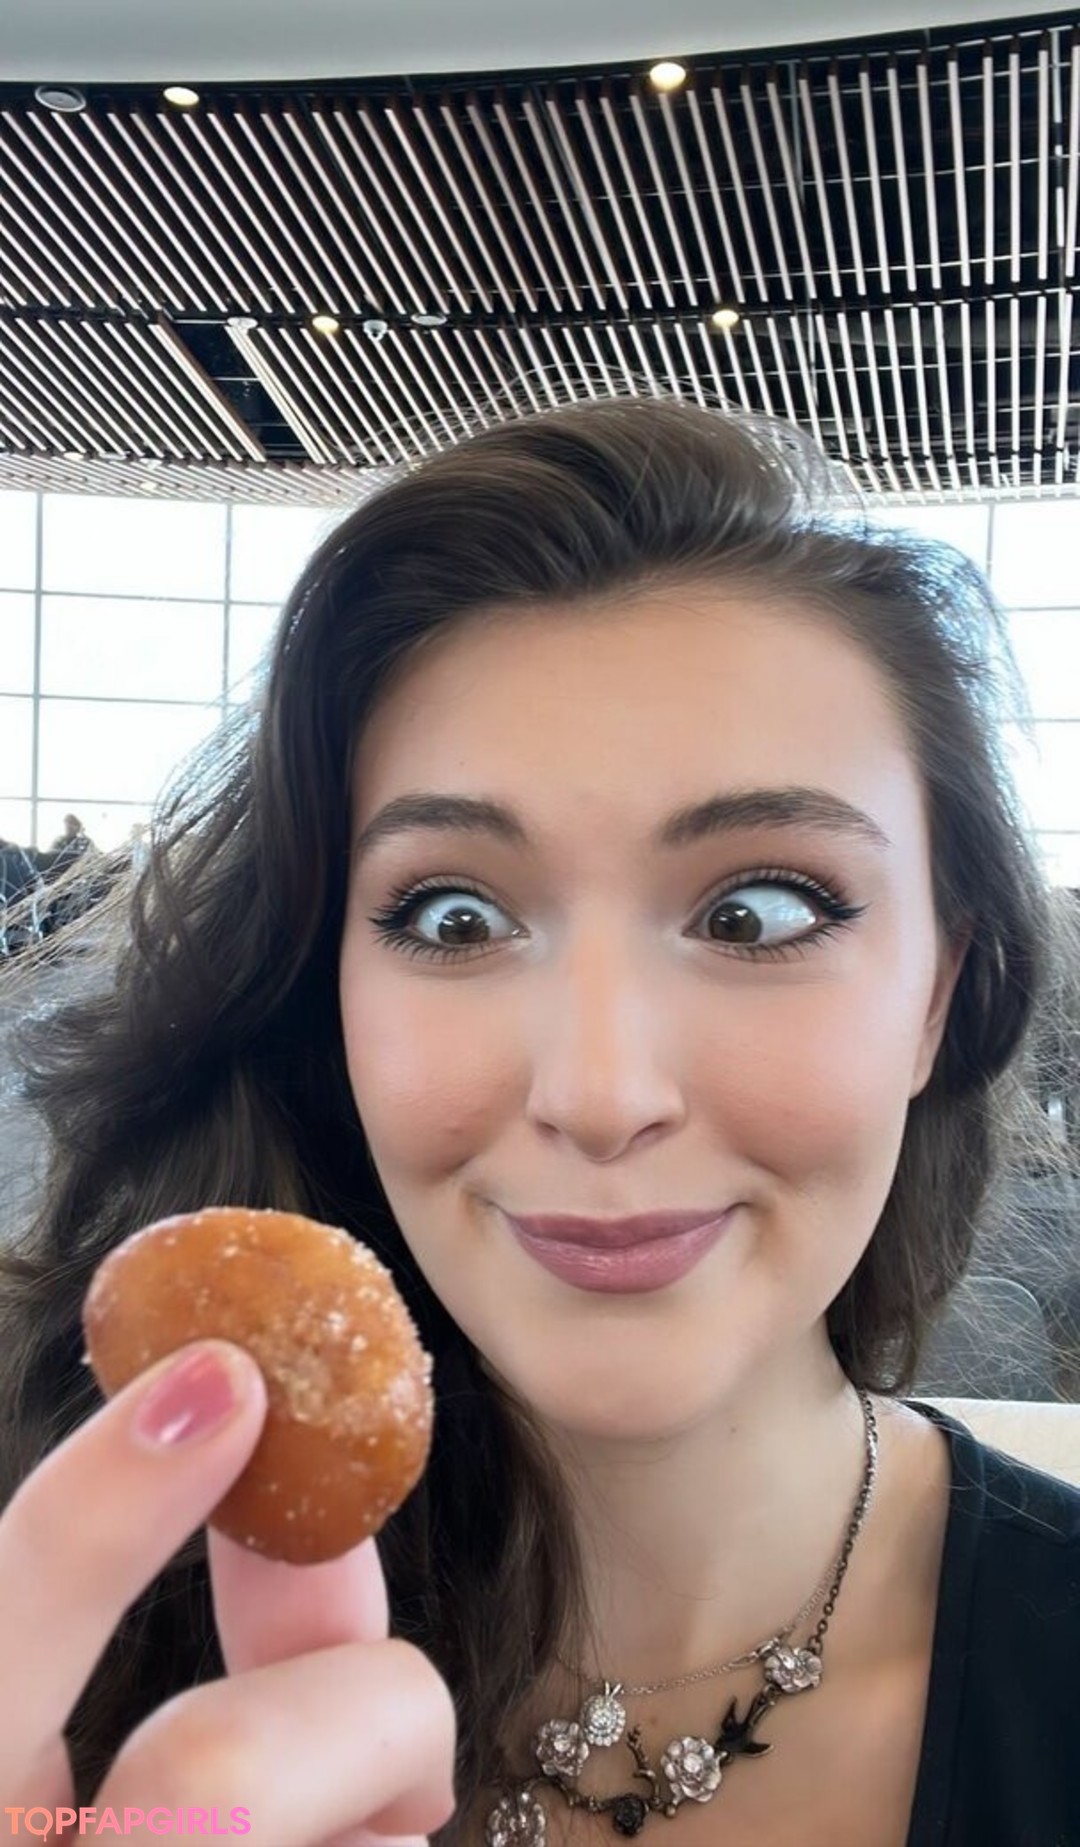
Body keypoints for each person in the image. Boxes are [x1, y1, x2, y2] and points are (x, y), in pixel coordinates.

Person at [0, 396, 1078, 1847]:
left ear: (936, 997)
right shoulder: (57, 1658)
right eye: (455, 917)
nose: (600, 1095)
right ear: (328, 998)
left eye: (759, 912)